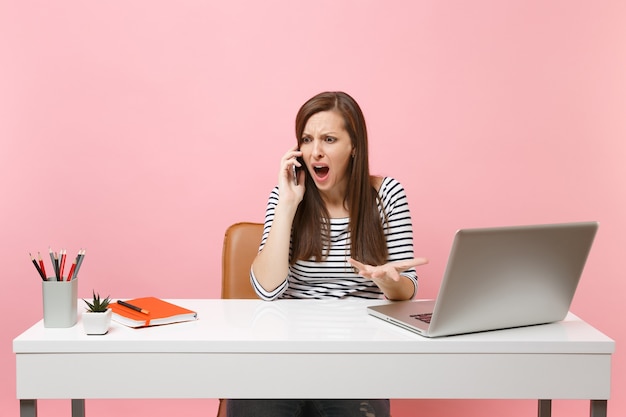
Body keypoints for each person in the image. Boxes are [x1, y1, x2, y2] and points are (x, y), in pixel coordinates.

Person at [227, 91, 427, 417]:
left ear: (354, 148)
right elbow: (268, 289)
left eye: (329, 139)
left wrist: (385, 280)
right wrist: (288, 203)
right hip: (284, 353)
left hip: (356, 356)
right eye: (307, 139)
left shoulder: (387, 195)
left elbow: (406, 290)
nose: (316, 151)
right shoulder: (286, 195)